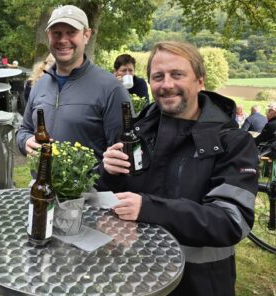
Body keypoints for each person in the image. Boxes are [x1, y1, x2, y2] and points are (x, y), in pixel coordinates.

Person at [101, 41, 258, 296]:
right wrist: (108, 173)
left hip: (199, 282)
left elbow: (231, 221)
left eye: (178, 74)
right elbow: (108, 197)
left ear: (200, 81)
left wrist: (149, 208)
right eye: (158, 76)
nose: (167, 85)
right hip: (133, 276)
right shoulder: (137, 131)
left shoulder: (233, 142)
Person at [17, 5, 130, 162]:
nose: (63, 40)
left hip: (92, 186)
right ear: (48, 35)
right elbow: (25, 129)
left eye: (71, 32)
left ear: (86, 35)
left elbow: (124, 150)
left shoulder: (111, 88)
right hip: (41, 184)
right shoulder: (40, 84)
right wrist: (25, 141)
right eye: (57, 33)